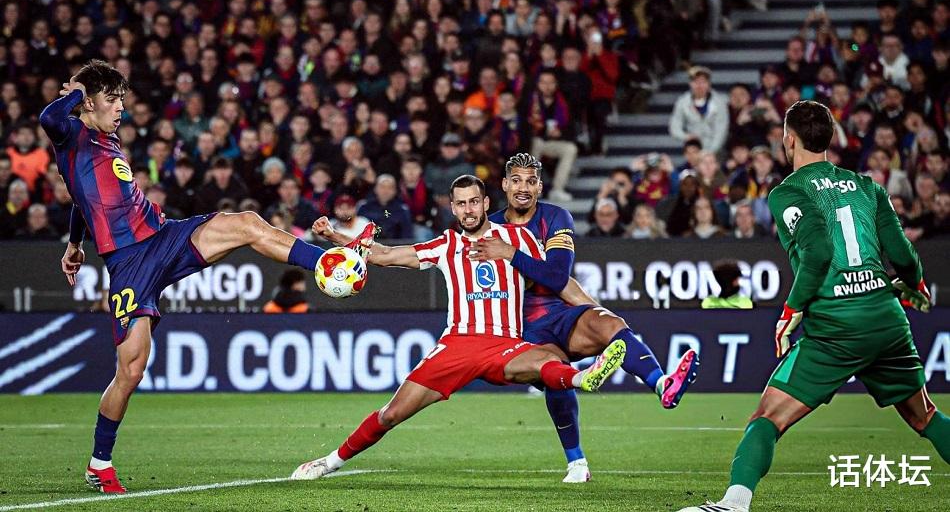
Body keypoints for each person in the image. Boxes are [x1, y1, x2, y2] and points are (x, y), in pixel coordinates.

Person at [39, 60, 329, 495]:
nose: (121, 108)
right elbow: (48, 117)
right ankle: (100, 463)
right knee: (131, 371)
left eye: (122, 100)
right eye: (112, 100)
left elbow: (85, 201)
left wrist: (75, 243)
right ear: (90, 102)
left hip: (163, 236)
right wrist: (79, 91)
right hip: (129, 264)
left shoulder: (109, 139)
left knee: (247, 223)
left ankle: (327, 263)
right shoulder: (70, 133)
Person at [678, 100, 948, 512]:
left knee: (767, 419)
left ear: (789, 140)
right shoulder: (867, 187)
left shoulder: (788, 192)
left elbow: (819, 251)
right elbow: (903, 254)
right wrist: (916, 284)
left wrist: (792, 309)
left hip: (835, 328)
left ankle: (734, 503)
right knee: (925, 417)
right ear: (830, 138)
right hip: (886, 320)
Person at [292, 175, 627, 480]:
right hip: (456, 345)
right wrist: (333, 236)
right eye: (462, 203)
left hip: (504, 343)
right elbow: (384, 255)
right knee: (390, 414)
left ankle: (584, 378)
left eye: (474, 202)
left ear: (486, 203)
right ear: (453, 208)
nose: (468, 210)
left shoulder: (518, 237)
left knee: (548, 361)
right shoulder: (446, 244)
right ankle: (330, 461)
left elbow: (554, 277)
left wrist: (591, 310)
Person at [470, 153, 699, 482]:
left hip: (561, 313)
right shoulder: (487, 227)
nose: (523, 188)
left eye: (531, 181)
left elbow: (557, 275)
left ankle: (663, 385)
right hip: (522, 327)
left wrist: (510, 253)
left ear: (540, 187)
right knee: (556, 373)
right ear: (505, 184)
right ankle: (576, 463)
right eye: (516, 180)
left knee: (611, 325)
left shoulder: (555, 217)